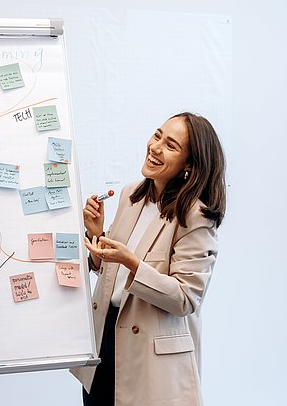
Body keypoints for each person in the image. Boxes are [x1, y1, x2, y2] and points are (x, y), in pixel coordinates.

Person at [70, 112, 226, 406]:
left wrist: (133, 264)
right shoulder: (131, 195)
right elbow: (110, 273)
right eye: (157, 135)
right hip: (106, 338)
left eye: (170, 145)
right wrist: (96, 235)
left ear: (188, 167)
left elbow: (186, 298)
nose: (155, 147)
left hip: (151, 359)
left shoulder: (196, 217)